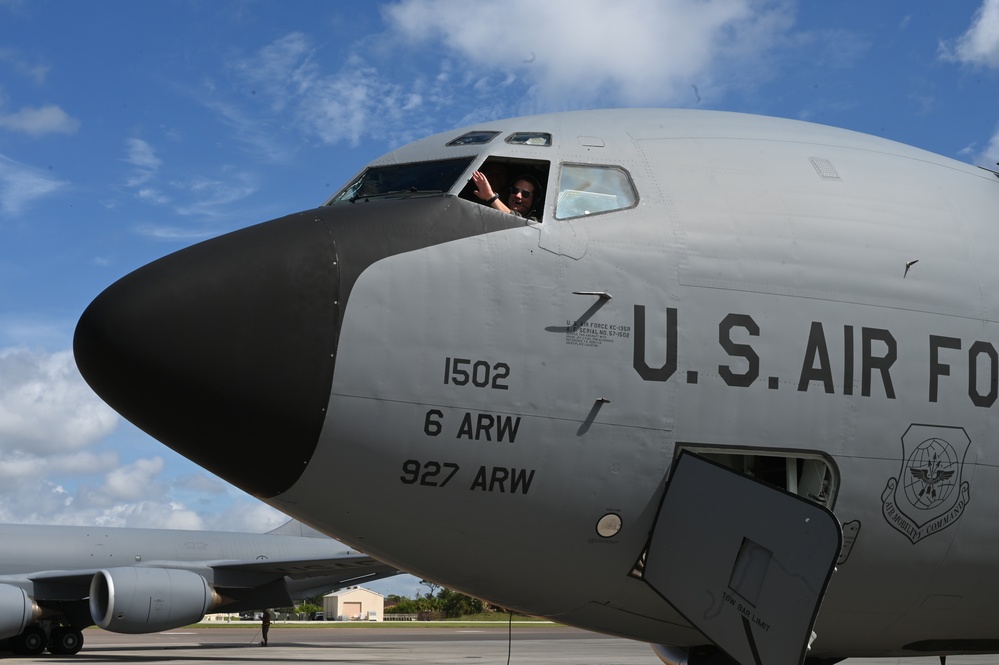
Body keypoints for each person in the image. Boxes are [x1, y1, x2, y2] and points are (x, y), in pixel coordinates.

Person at [471, 170, 541, 220]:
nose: (518, 195)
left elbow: (517, 220)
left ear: (534, 200)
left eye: (525, 194)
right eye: (514, 190)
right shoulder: (491, 210)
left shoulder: (533, 222)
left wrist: (491, 197)